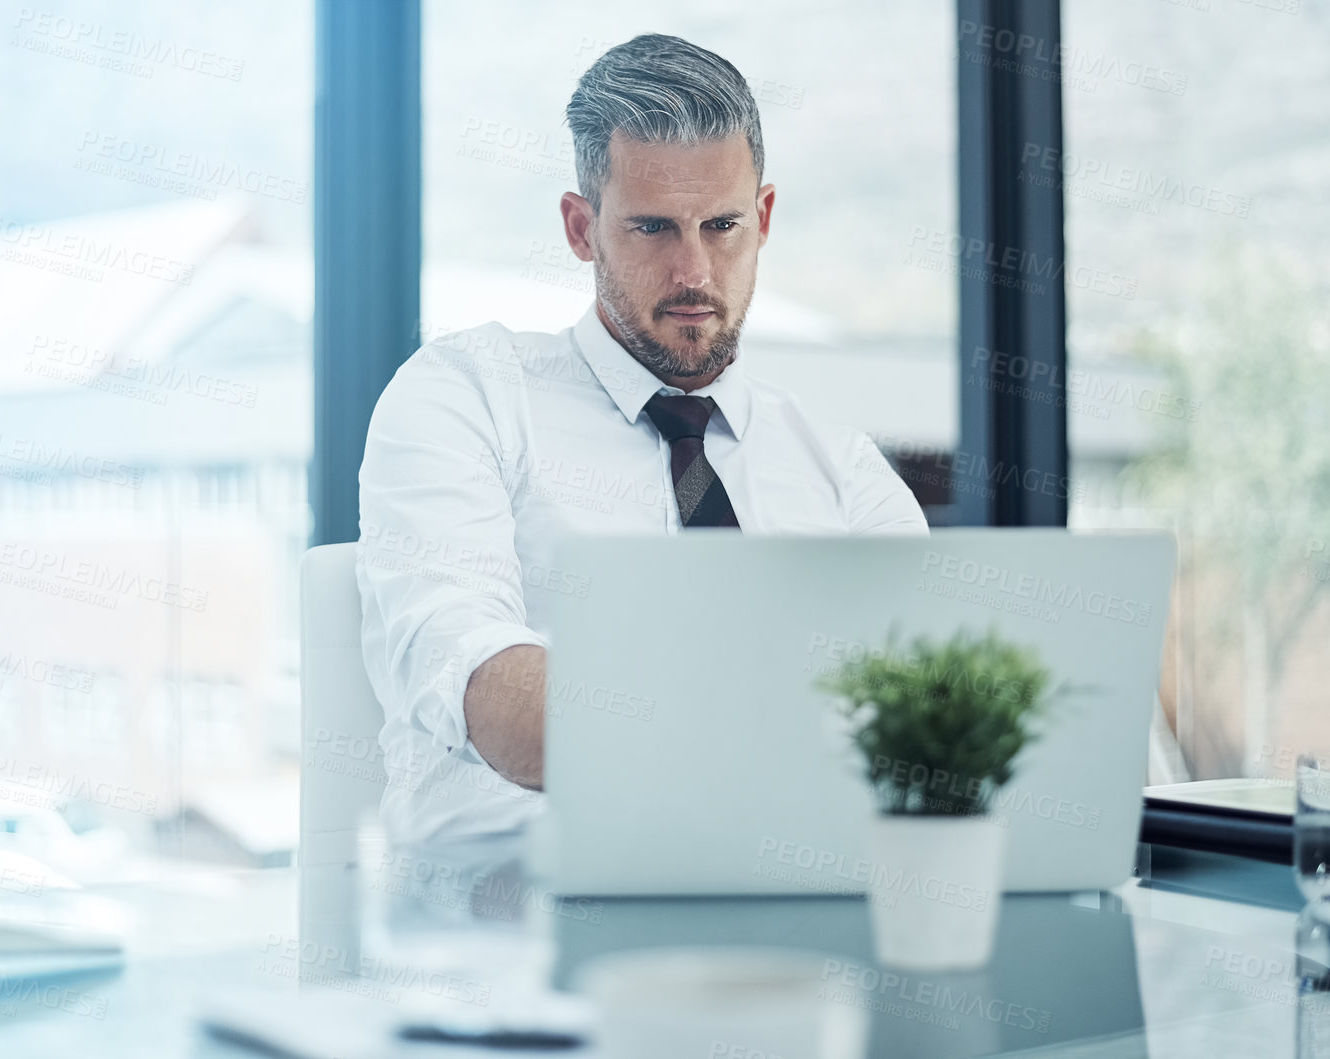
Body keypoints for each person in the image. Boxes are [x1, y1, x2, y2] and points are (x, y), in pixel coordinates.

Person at [357, 33, 927, 845]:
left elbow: (931, 714)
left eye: (722, 225)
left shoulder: (837, 464)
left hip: (792, 902)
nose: (694, 270)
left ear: (762, 219)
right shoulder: (467, 394)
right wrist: (794, 712)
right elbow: (487, 692)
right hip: (506, 916)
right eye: (653, 228)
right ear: (580, 227)